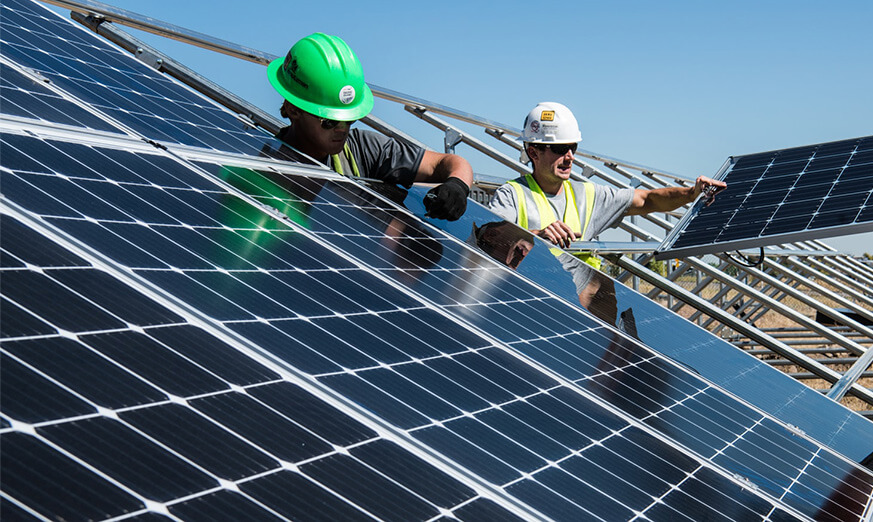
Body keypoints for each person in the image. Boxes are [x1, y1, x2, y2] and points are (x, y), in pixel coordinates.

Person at [488, 102, 726, 266]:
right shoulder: (512, 195)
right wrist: (536, 236)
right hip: (529, 305)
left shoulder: (588, 196)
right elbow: (489, 243)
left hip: (576, 308)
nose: (570, 157)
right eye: (561, 149)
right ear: (533, 152)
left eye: (573, 148)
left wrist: (691, 193)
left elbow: (648, 199)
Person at [266, 32, 473, 221]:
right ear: (293, 110)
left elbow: (447, 163)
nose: (342, 129)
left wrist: (457, 186)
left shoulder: (364, 148)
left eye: (349, 120)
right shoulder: (263, 168)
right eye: (329, 121)